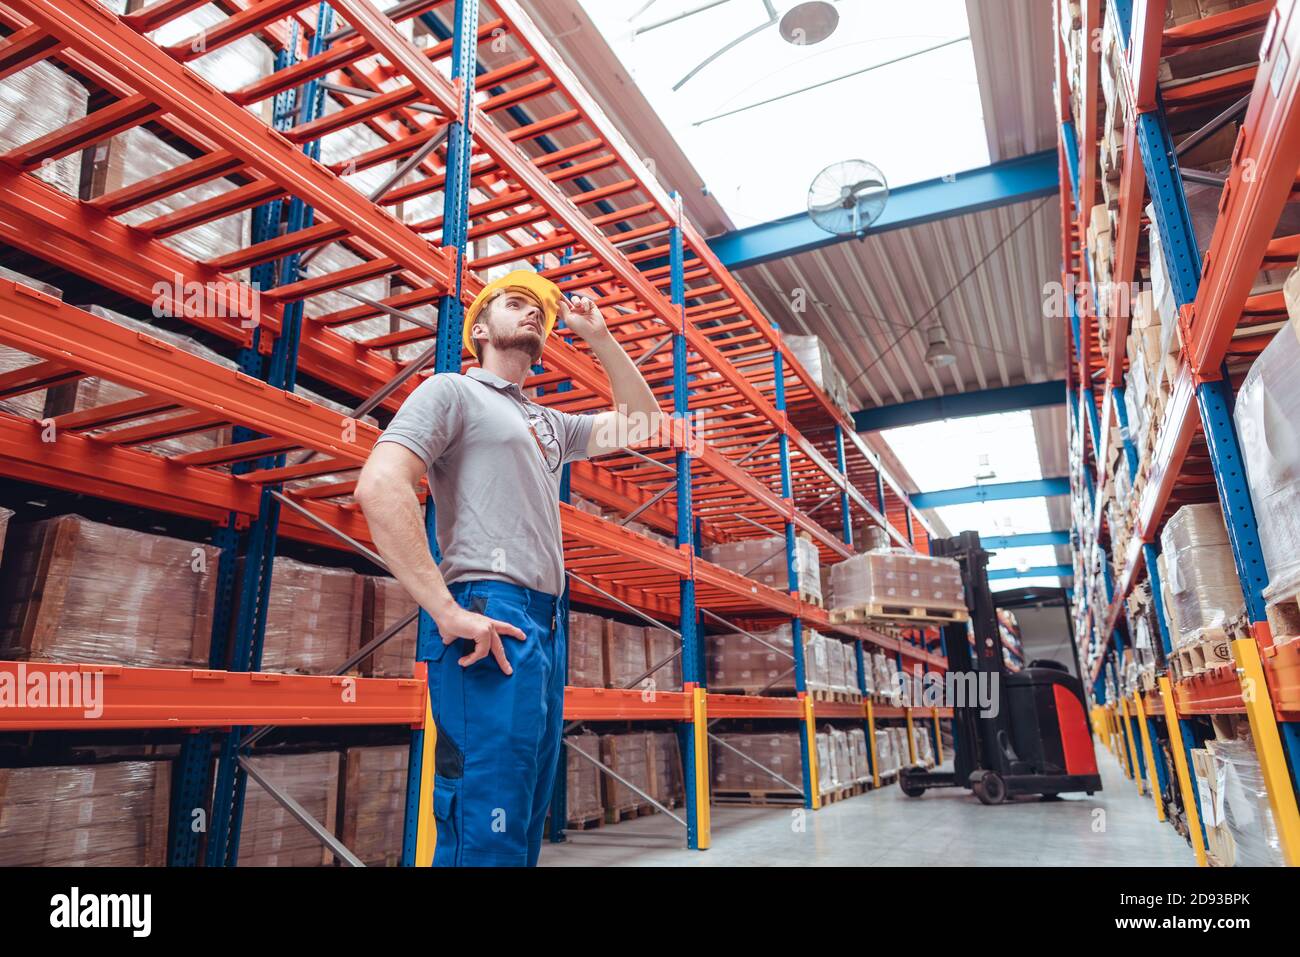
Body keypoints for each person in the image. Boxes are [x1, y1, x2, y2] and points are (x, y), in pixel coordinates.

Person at [355, 269, 661, 866]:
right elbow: (380, 483)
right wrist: (444, 608)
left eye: (539, 314)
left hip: (545, 622)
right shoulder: (452, 391)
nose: (532, 316)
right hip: (490, 609)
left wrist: (598, 337)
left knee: (522, 815)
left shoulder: (549, 423)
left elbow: (643, 423)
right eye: (516, 305)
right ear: (478, 328)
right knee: (484, 816)